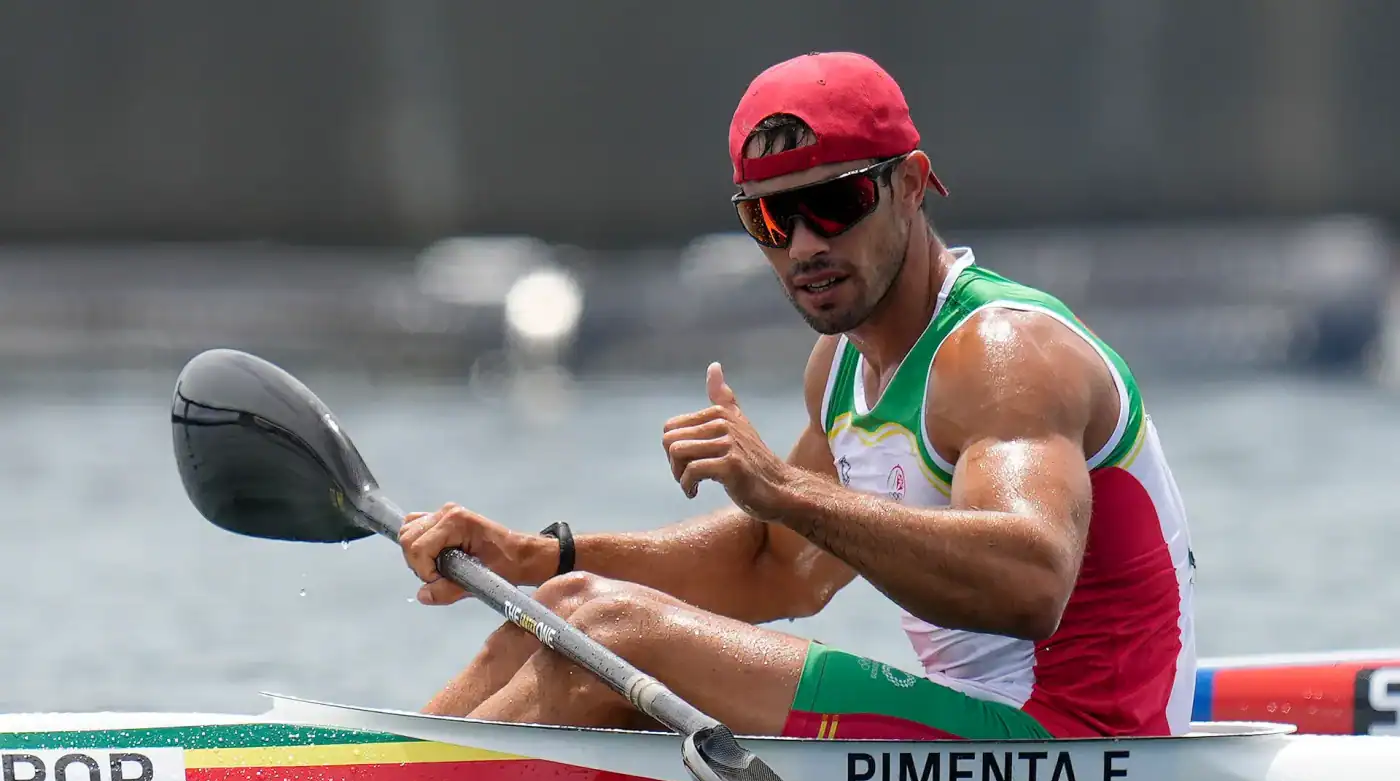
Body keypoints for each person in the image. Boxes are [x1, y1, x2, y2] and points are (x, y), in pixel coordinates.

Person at [399, 51, 1197, 740]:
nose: (807, 243)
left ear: (912, 186)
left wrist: (780, 487)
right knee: (568, 602)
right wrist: (540, 554)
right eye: (773, 217)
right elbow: (778, 567)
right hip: (979, 727)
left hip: (1083, 742)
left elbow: (1031, 586)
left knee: (612, 629)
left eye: (837, 202)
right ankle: (378, 779)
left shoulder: (1000, 353)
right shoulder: (841, 367)